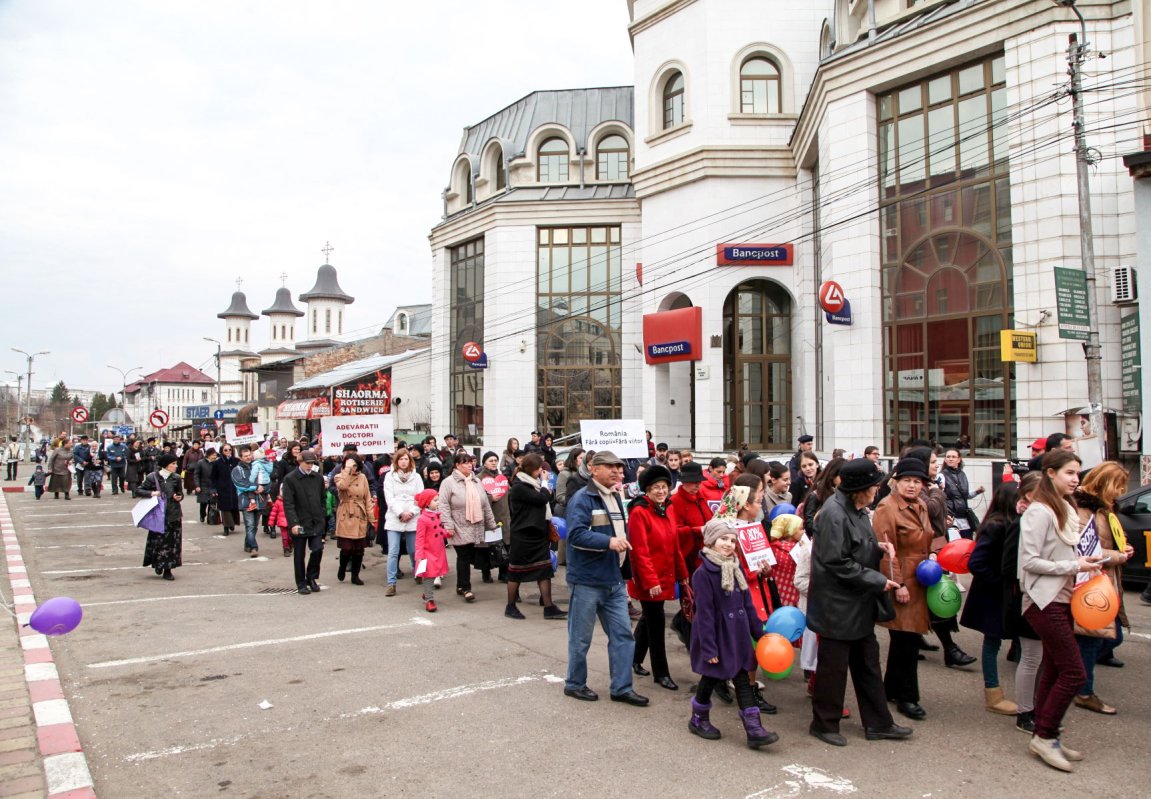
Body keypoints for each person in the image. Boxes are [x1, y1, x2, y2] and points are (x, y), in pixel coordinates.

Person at [807, 457, 911, 747]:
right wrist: (879, 581)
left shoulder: (856, 508)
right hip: (837, 605)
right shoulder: (833, 513)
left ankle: (879, 723)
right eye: (873, 486)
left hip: (857, 600)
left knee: (868, 664)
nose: (876, 491)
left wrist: (875, 547)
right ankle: (824, 723)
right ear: (858, 489)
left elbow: (852, 545)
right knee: (833, 669)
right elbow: (835, 561)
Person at [1018, 449, 1104, 771]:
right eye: (1069, 472)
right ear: (1050, 473)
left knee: (1054, 668)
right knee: (1075, 672)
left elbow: (1068, 552)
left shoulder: (1064, 507)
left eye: (1077, 473)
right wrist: (1074, 564)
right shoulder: (1038, 511)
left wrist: (1088, 564)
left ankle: (1046, 733)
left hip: (1064, 598)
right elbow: (1028, 562)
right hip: (1043, 601)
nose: (1075, 479)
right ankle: (1044, 736)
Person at [563, 449, 648, 707]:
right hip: (587, 580)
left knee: (623, 635)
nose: (616, 471)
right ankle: (575, 684)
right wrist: (609, 542)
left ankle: (622, 688)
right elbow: (575, 535)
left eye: (619, 468)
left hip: (613, 580)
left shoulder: (615, 495)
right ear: (594, 468)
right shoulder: (583, 498)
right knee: (580, 638)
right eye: (610, 467)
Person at [687, 516, 780, 749]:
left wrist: (759, 633)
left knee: (742, 679)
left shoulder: (735, 567)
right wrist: (709, 648)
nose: (728, 544)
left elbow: (748, 604)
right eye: (722, 539)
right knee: (710, 677)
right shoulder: (703, 574)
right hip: (717, 637)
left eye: (731, 540)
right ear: (710, 542)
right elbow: (705, 614)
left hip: (737, 636)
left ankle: (754, 729)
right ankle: (698, 718)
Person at [872, 457, 934, 721]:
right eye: (907, 480)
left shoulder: (920, 505)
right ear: (895, 481)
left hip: (921, 578)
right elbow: (886, 551)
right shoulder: (887, 508)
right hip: (903, 579)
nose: (912, 486)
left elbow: (930, 537)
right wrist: (898, 583)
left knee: (905, 639)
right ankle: (909, 697)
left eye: (917, 481)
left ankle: (892, 689)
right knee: (905, 639)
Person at [1071, 462, 1135, 714]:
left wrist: (1124, 547)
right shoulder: (1083, 509)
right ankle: (1083, 690)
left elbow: (1112, 539)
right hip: (1090, 584)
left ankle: (1076, 678)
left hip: (1105, 582)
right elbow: (1085, 549)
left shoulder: (1105, 509)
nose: (1120, 492)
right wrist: (1118, 555)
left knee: (1106, 637)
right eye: (1117, 486)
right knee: (1092, 639)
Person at [905, 446, 976, 668]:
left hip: (936, 548)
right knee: (935, 600)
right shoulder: (922, 489)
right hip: (925, 554)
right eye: (933, 462)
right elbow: (930, 508)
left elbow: (937, 512)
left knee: (932, 600)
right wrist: (938, 492)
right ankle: (949, 649)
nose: (938, 465)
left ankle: (922, 641)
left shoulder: (930, 485)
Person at [960, 482, 1022, 715]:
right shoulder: (996, 525)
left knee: (1009, 640)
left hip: (1002, 593)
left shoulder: (1009, 523)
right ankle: (993, 693)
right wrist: (1001, 582)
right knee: (992, 642)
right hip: (993, 595)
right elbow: (976, 563)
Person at [625, 464, 687, 688]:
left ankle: (632, 658)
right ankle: (661, 673)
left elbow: (674, 544)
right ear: (647, 490)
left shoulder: (668, 508)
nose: (661, 491)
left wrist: (682, 574)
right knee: (656, 623)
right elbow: (640, 552)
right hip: (648, 579)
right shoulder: (639, 512)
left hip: (666, 573)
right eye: (656, 488)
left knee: (649, 618)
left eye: (664, 487)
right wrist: (651, 582)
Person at [1002, 471, 1043, 732]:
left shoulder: (1046, 519)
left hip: (1045, 597)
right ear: (1028, 494)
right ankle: (1025, 712)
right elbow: (1008, 566)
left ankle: (1037, 705)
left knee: (1041, 658)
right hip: (1026, 598)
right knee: (1030, 657)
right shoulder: (1021, 523)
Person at [505, 452, 567, 620]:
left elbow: (547, 497)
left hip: (538, 533)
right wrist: (546, 483)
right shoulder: (519, 486)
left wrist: (544, 485)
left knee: (544, 569)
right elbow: (542, 499)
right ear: (531, 469)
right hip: (523, 534)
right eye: (539, 469)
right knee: (516, 571)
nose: (541, 471)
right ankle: (510, 606)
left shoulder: (533, 483)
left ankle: (549, 606)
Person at [438, 453, 497, 603]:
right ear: (457, 465)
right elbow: (443, 505)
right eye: (465, 463)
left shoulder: (476, 481)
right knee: (464, 556)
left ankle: (460, 585)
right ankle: (466, 588)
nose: (469, 465)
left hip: (475, 525)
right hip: (458, 525)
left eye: (470, 462)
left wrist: (491, 523)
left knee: (468, 556)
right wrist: (448, 524)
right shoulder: (448, 482)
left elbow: (485, 504)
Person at [281, 450, 327, 595]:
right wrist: (293, 523)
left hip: (316, 522)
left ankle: (311, 577)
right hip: (300, 522)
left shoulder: (317, 478)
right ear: (300, 462)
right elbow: (288, 504)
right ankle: (301, 583)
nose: (310, 466)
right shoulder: (290, 479)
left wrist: (322, 515)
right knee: (299, 554)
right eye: (307, 463)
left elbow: (322, 499)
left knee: (318, 549)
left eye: (312, 463)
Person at [134, 453, 184, 581]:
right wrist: (152, 493)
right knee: (158, 541)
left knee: (172, 544)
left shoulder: (176, 478)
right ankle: (158, 564)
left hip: (173, 514)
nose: (175, 466)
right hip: (158, 515)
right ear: (166, 465)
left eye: (176, 463)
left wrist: (178, 497)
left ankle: (168, 569)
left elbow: (180, 493)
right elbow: (138, 490)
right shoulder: (152, 477)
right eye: (173, 464)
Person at [383, 450, 424, 596]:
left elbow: (420, 497)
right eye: (401, 459)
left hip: (413, 517)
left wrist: (411, 512)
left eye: (406, 459)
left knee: (414, 550)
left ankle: (417, 571)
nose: (403, 462)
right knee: (393, 551)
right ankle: (391, 583)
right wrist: (401, 513)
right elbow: (389, 498)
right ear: (396, 461)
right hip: (395, 518)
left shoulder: (417, 477)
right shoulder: (389, 476)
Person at [333, 453, 372, 586]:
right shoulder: (339, 476)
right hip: (346, 513)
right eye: (350, 465)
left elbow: (367, 497)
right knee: (347, 548)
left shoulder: (363, 477)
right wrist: (347, 470)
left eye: (355, 465)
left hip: (360, 513)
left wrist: (371, 517)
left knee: (359, 549)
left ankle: (355, 575)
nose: (353, 468)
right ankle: (342, 567)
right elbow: (343, 486)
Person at [670, 460, 712, 575]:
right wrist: (696, 530)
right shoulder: (675, 501)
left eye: (699, 481)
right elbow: (674, 532)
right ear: (684, 481)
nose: (698, 485)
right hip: (689, 557)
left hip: (707, 553)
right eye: (694, 482)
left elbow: (709, 518)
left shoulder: (701, 497)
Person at [414, 489, 449, 612]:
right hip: (427, 552)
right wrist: (419, 554)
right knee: (429, 575)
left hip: (438, 550)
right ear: (427, 503)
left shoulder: (436, 515)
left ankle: (427, 593)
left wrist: (447, 533)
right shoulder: (423, 519)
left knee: (435, 573)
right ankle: (429, 599)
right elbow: (419, 538)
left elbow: (439, 530)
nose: (438, 502)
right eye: (435, 500)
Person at [479, 452, 511, 584]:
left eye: (495, 460)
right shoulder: (478, 478)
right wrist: (491, 498)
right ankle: (486, 572)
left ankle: (503, 573)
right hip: (488, 517)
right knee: (487, 547)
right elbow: (477, 497)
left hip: (504, 516)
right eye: (490, 460)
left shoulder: (502, 478)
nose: (493, 462)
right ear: (484, 463)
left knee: (504, 545)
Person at [941, 449, 984, 537]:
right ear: (945, 460)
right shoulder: (941, 476)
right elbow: (939, 497)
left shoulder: (962, 474)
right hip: (951, 519)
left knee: (967, 544)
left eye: (953, 457)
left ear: (959, 459)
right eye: (948, 457)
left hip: (964, 517)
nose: (950, 459)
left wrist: (977, 492)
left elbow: (964, 495)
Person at [231, 446, 264, 557]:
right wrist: (255, 487)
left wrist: (263, 487)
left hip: (259, 500)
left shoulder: (258, 466)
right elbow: (240, 484)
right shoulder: (237, 470)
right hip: (245, 501)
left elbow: (265, 479)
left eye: (249, 455)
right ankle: (254, 547)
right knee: (250, 525)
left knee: (254, 526)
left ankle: (248, 544)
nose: (248, 457)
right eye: (245, 456)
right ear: (240, 457)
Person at [211, 444, 240, 535]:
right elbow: (213, 477)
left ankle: (232, 523)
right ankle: (226, 527)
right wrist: (213, 489)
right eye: (225, 450)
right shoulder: (217, 463)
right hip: (222, 488)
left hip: (234, 488)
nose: (228, 452)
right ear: (222, 451)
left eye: (229, 450)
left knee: (234, 507)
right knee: (225, 509)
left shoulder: (236, 461)